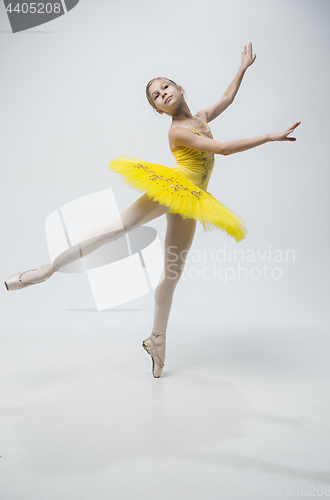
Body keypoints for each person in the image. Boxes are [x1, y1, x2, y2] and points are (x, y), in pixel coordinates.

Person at [4, 43, 301, 378]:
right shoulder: (178, 131)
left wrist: (242, 67)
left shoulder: (200, 118)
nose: (162, 94)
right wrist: (269, 136)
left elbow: (227, 99)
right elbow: (222, 149)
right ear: (159, 110)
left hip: (193, 199)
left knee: (172, 271)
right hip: (173, 186)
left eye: (165, 87)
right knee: (115, 230)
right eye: (156, 97)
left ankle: (157, 339)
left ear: (179, 88)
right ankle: (47, 270)